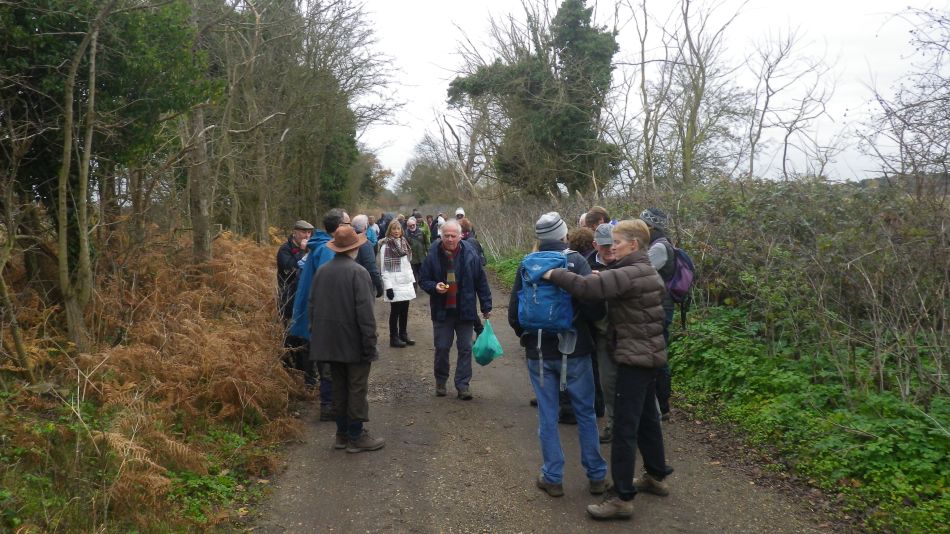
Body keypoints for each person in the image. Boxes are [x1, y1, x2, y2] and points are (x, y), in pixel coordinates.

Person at [542, 219, 673, 520]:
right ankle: (656, 475)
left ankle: (622, 497)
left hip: (633, 359)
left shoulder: (629, 273)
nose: (612, 246)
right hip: (650, 356)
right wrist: (605, 274)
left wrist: (554, 273)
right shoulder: (644, 269)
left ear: (634, 245)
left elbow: (589, 288)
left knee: (625, 428)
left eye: (618, 241)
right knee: (647, 419)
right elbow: (616, 283)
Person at [509, 212, 609, 499]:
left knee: (547, 414)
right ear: (564, 233)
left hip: (539, 351)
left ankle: (553, 477)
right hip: (575, 349)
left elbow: (514, 311)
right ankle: (597, 476)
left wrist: (527, 337)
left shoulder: (527, 264)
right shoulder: (577, 261)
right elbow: (594, 309)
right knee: (586, 413)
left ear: (539, 239)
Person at [309, 225, 385, 453]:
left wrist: (317, 336)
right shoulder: (359, 272)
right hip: (353, 342)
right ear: (355, 249)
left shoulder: (322, 271)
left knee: (339, 388)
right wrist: (370, 344)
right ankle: (356, 435)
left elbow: (312, 306)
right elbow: (365, 314)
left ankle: (341, 435)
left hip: (328, 342)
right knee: (356, 389)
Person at [419, 219, 492, 400]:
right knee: (442, 347)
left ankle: (463, 385)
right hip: (442, 310)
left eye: (453, 235)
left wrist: (486, 306)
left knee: (465, 348)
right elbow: (423, 280)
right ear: (441, 236)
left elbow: (481, 282)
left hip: (465, 310)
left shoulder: (471, 255)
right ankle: (441, 381)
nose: (450, 239)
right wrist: (435, 286)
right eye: (446, 235)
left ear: (461, 236)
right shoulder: (432, 255)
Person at [289, 210, 347, 420]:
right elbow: (329, 284)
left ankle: (328, 403)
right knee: (329, 361)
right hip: (324, 315)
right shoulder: (326, 249)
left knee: (325, 360)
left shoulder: (319, 245)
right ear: (339, 226)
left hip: (317, 313)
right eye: (346, 223)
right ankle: (329, 406)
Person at [640, 208, 676, 420]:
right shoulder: (660, 243)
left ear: (651, 226)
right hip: (660, 304)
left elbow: (642, 270)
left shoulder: (659, 247)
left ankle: (662, 405)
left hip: (661, 306)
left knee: (658, 355)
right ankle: (660, 403)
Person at [589, 223, 618, 443]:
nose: (610, 250)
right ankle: (613, 423)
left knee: (641, 385)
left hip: (628, 335)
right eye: (605, 245)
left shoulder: (628, 262)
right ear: (595, 244)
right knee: (607, 383)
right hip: (601, 335)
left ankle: (648, 426)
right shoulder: (586, 264)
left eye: (614, 244)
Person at [378, 221, 416, 347]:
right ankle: (393, 338)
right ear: (389, 230)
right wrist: (388, 287)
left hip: (405, 282)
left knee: (405, 310)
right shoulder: (386, 246)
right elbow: (384, 269)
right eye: (393, 229)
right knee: (395, 311)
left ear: (401, 230)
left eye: (398, 228)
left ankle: (403, 334)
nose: (396, 231)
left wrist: (411, 279)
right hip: (394, 283)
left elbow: (407, 264)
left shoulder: (404, 243)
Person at [277, 220, 314, 323]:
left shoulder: (309, 248)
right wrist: (302, 251)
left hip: (303, 294)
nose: (307, 236)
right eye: (304, 232)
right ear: (294, 233)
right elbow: (290, 270)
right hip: (288, 296)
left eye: (309, 232)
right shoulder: (285, 249)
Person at [351, 214, 385, 298]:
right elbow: (371, 267)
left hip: (348, 282)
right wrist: (379, 285)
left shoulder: (347, 240)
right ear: (365, 227)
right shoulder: (365, 243)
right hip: (363, 284)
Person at [405, 217, 430, 285]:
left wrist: (428, 252)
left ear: (415, 224)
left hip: (422, 257)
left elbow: (427, 242)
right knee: (413, 274)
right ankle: (414, 288)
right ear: (408, 226)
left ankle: (423, 285)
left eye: (413, 225)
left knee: (422, 272)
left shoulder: (422, 232)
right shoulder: (405, 234)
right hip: (412, 258)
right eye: (410, 225)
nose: (412, 226)